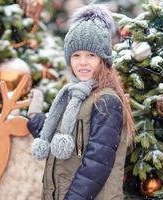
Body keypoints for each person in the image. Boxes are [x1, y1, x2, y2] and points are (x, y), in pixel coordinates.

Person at [27, 3, 135, 200]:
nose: (82, 62)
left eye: (90, 55)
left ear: (103, 59)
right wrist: (35, 117)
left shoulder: (105, 101)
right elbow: (63, 136)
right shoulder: (74, 97)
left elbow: (97, 163)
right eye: (76, 55)